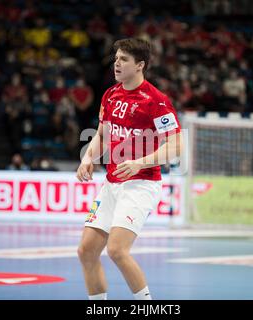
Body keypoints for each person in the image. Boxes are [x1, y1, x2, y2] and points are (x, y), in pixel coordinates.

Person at [76, 38, 182, 300]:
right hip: (111, 184)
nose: (117, 64)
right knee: (86, 251)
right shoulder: (110, 95)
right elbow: (102, 134)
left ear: (140, 65)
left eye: (124, 59)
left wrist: (139, 162)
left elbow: (177, 146)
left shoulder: (156, 101)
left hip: (140, 185)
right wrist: (88, 157)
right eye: (116, 59)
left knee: (117, 250)